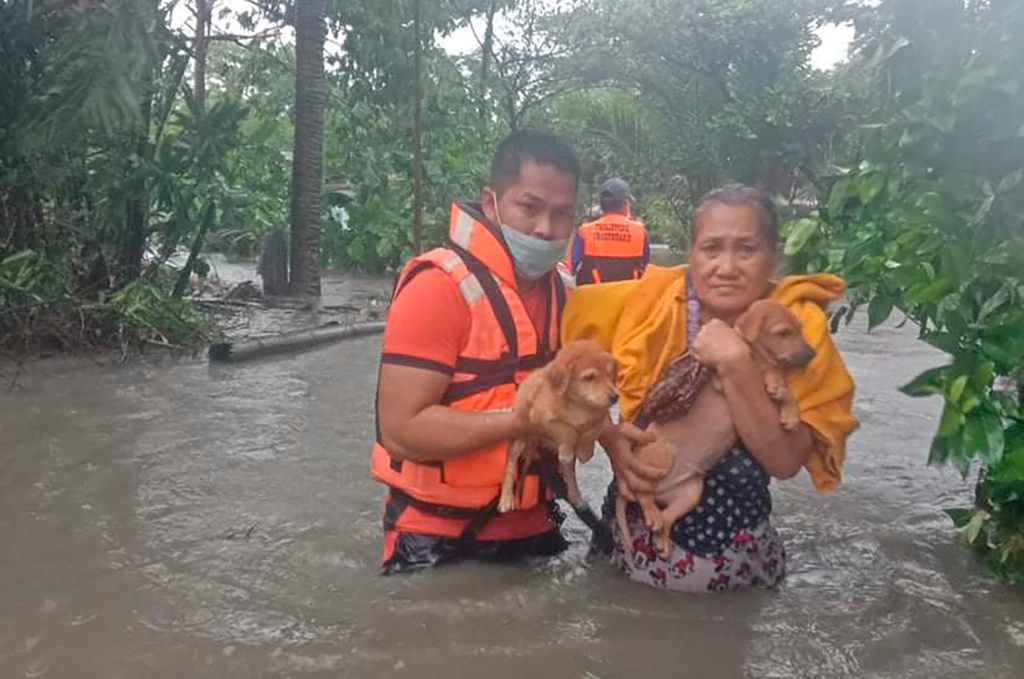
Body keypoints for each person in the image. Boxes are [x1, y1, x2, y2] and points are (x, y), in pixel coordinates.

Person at [368, 129, 652, 574]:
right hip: (435, 537)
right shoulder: (437, 287)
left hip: (536, 526)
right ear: (491, 202)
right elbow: (400, 430)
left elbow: (578, 391)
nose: (545, 229)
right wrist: (522, 421)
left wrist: (612, 437)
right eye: (529, 208)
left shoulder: (567, 294)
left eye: (561, 214)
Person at [562, 185, 859, 592]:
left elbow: (785, 462)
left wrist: (736, 363)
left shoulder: (794, 330)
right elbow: (556, 384)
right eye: (711, 248)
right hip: (623, 552)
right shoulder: (647, 304)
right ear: (691, 253)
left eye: (747, 250)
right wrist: (610, 437)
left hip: (732, 567)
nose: (727, 267)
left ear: (773, 255)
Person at [571, 178, 650, 285]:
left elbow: (571, 266)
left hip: (593, 293)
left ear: (602, 205)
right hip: (629, 294)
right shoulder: (641, 232)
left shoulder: (584, 231)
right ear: (625, 203)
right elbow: (646, 268)